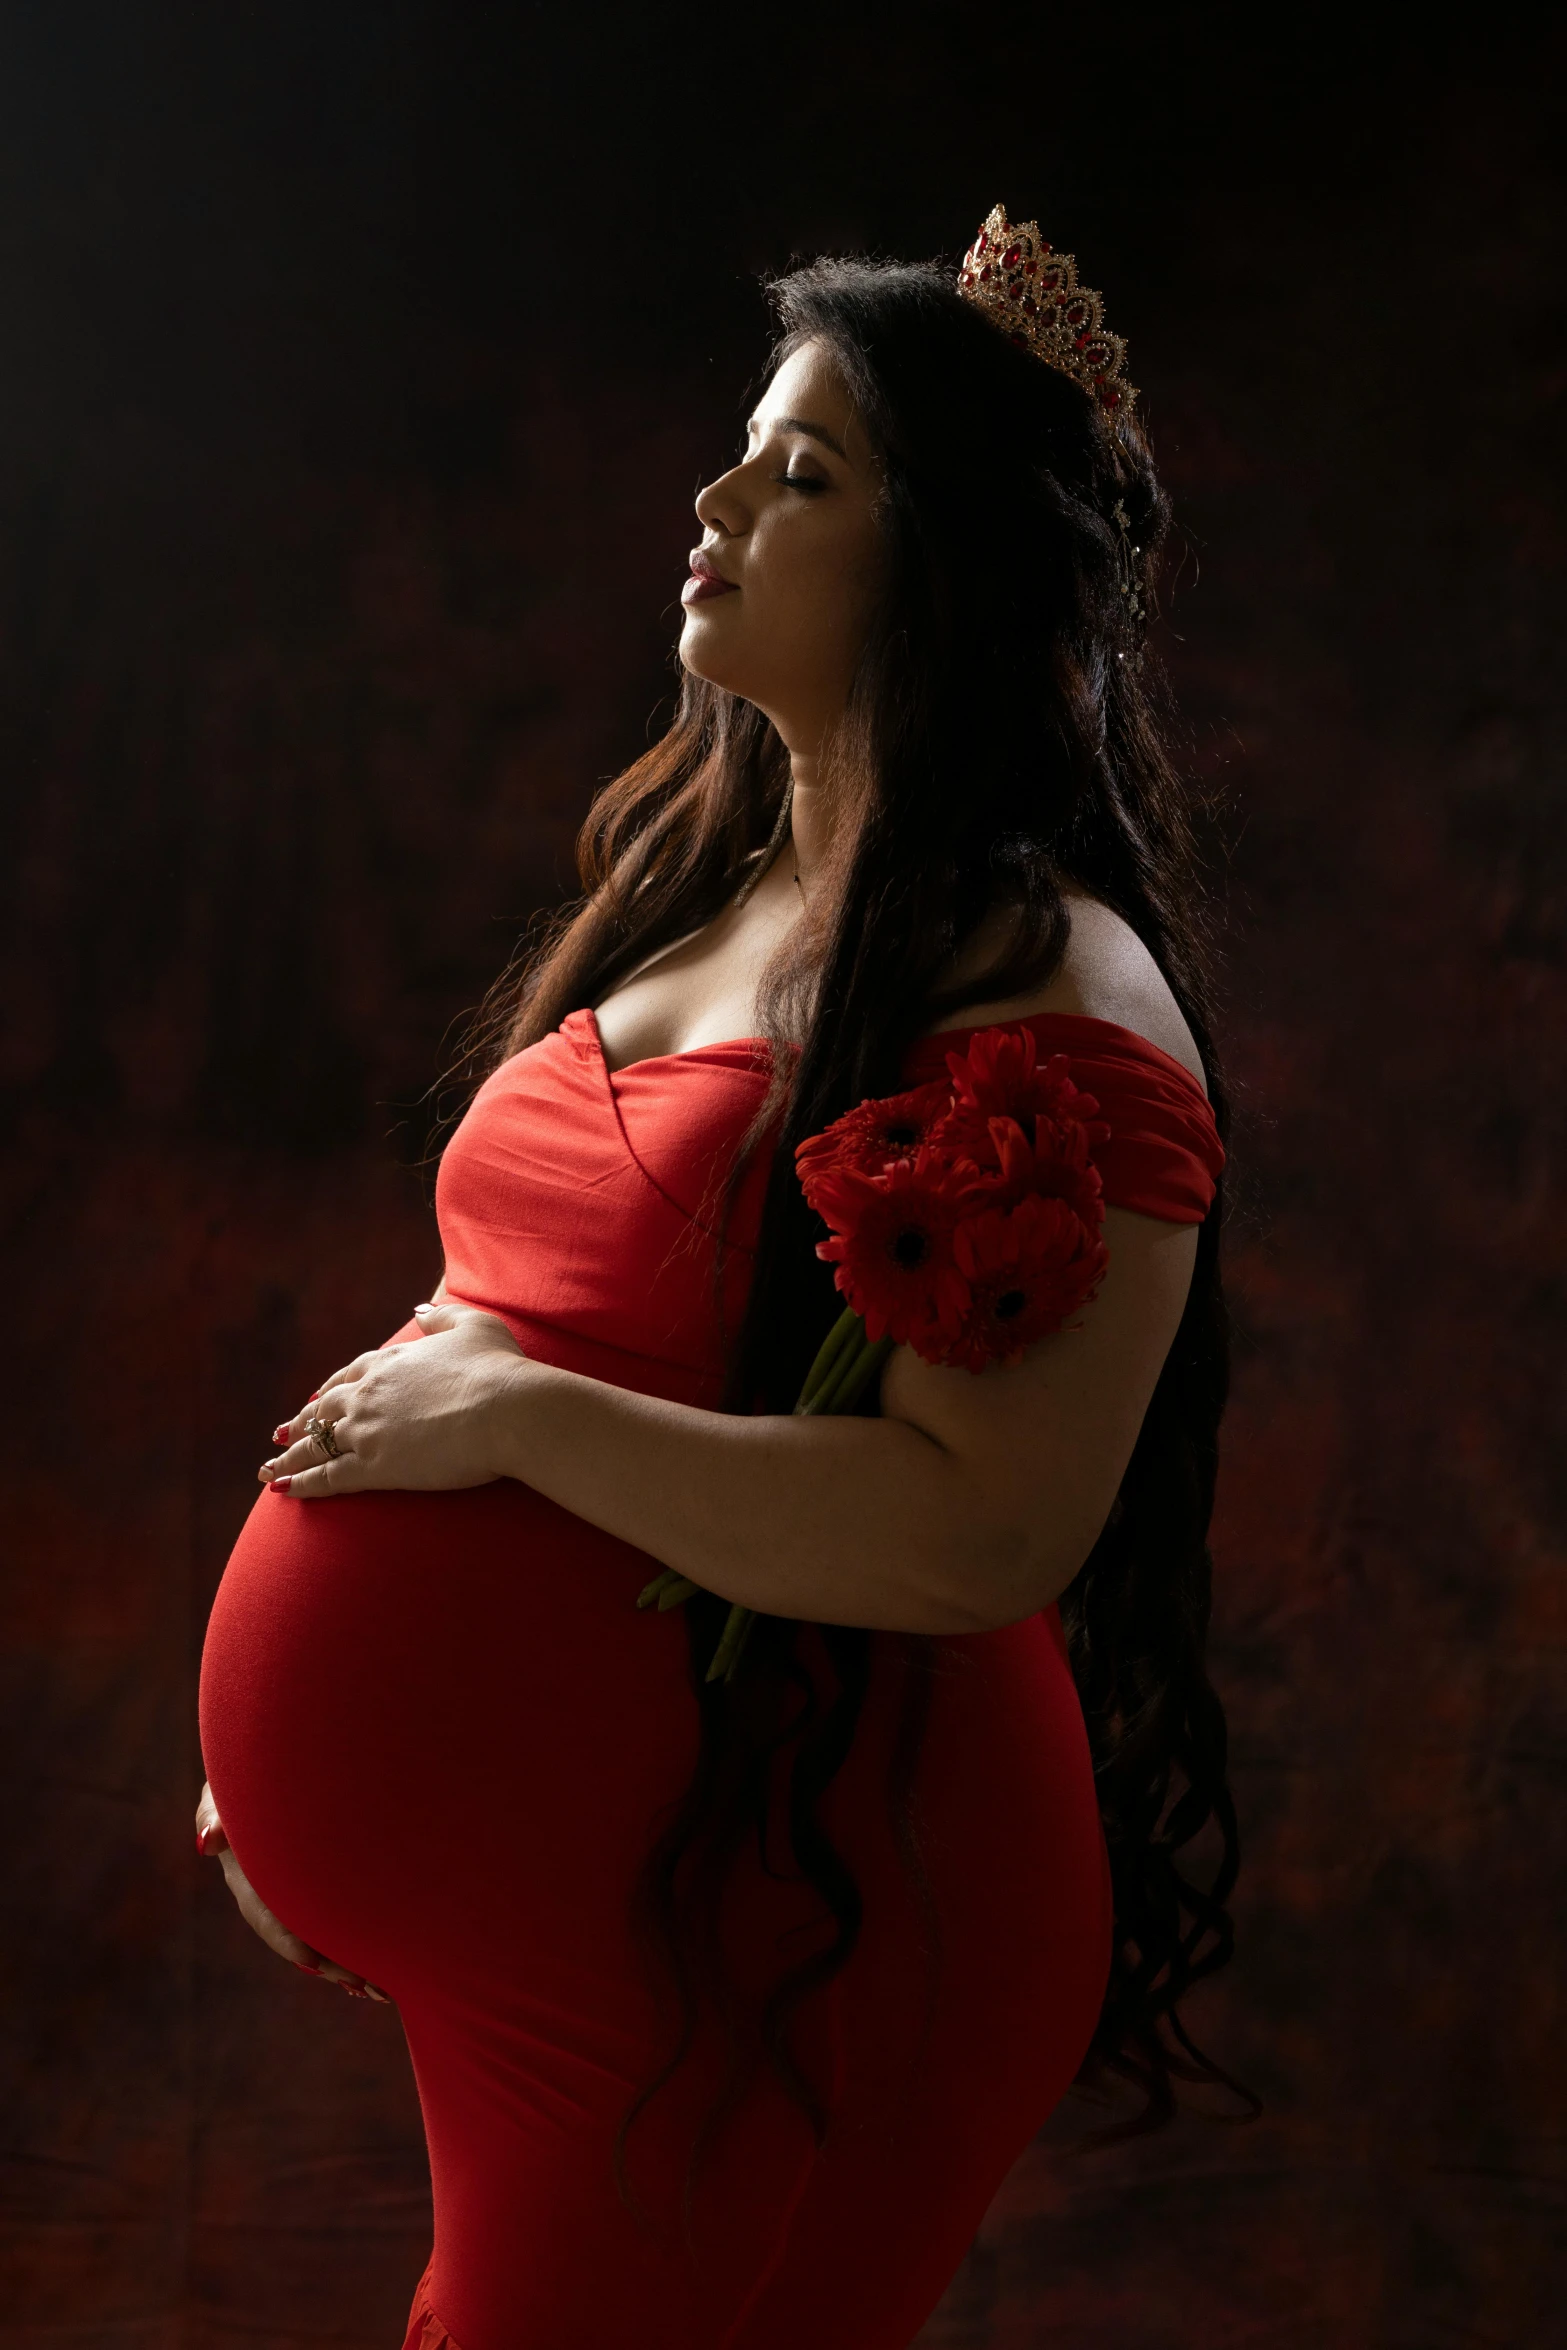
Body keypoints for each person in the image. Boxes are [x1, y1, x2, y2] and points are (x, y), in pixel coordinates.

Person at [196, 207, 1254, 2350]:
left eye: (805, 477)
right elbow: (526, 1297)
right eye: (741, 454)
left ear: (943, 566)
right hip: (608, 1907)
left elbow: (985, 1524)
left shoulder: (1045, 981)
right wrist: (306, 1780)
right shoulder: (716, 896)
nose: (714, 507)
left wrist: (501, 1428)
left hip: (800, 1904)